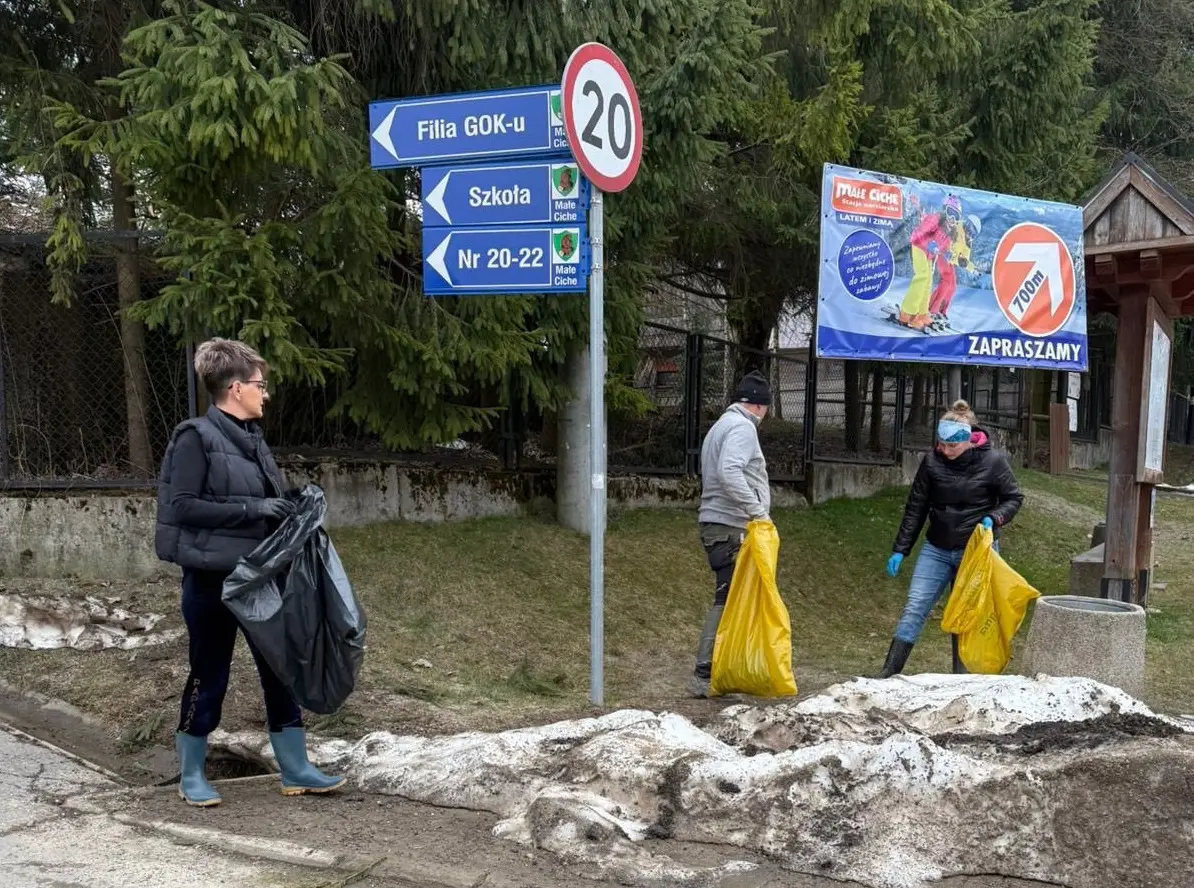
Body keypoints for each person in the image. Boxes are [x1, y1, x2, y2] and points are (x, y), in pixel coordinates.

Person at [155, 338, 345, 806]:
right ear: (235, 388)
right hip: (212, 582)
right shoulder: (194, 437)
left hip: (260, 577)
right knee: (209, 672)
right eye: (260, 384)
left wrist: (289, 504)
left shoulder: (252, 441)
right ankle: (192, 774)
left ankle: (296, 767)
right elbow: (182, 506)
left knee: (280, 669)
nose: (266, 393)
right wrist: (254, 505)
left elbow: (261, 508)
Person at [876, 399, 1024, 677]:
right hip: (937, 548)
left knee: (967, 614)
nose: (944, 450)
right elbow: (916, 506)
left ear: (969, 441)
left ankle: (962, 679)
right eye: (941, 444)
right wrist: (901, 549)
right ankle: (888, 674)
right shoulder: (932, 461)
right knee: (915, 607)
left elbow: (1013, 497)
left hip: (976, 551)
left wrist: (995, 517)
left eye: (951, 446)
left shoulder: (993, 461)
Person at [688, 370, 772, 698]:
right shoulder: (742, 427)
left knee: (729, 597)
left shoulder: (722, 425)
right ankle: (705, 672)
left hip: (716, 525)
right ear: (761, 406)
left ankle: (717, 669)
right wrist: (757, 511)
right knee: (727, 598)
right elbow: (729, 471)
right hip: (727, 527)